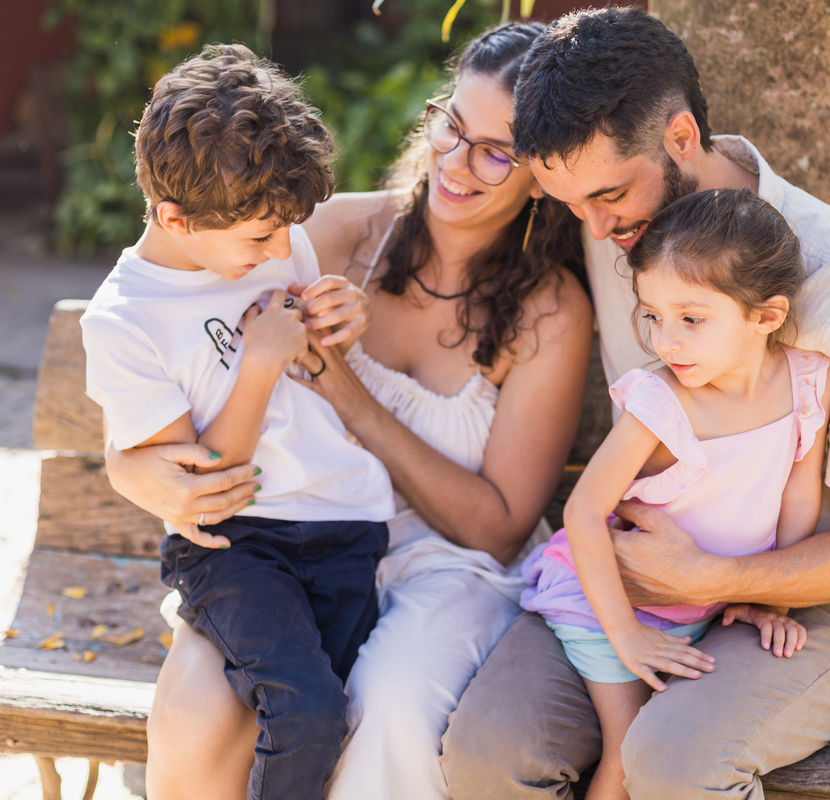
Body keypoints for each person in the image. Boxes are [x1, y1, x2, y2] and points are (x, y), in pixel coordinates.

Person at [440, 8, 830, 800]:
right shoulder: (611, 219)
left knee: (669, 760)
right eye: (572, 207)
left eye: (608, 197)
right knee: (491, 752)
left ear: (681, 138)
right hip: (615, 579)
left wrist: (719, 575)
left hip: (795, 596)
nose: (595, 228)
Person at [101, 23, 593, 800]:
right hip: (283, 540)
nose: (457, 164)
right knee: (199, 708)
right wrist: (130, 469)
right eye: (452, 126)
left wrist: (348, 394)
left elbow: (498, 527)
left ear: (544, 174)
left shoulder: (549, 311)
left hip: (446, 565)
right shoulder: (322, 234)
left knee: (386, 705)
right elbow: (169, 341)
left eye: (496, 151)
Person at [79, 44, 397, 800]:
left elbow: (312, 368)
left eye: (289, 230)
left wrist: (344, 316)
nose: (283, 251)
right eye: (262, 239)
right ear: (174, 218)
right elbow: (209, 487)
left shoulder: (271, 233)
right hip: (240, 544)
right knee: (307, 713)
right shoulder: (126, 321)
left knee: (350, 718)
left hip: (348, 526)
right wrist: (257, 363)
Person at [520, 189, 830, 800]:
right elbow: (583, 509)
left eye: (691, 319)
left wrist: (775, 600)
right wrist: (625, 634)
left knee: (666, 752)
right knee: (628, 751)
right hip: (605, 603)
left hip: (704, 602)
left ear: (766, 317)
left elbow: (799, 495)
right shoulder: (659, 400)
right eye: (652, 315)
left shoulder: (806, 379)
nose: (666, 342)